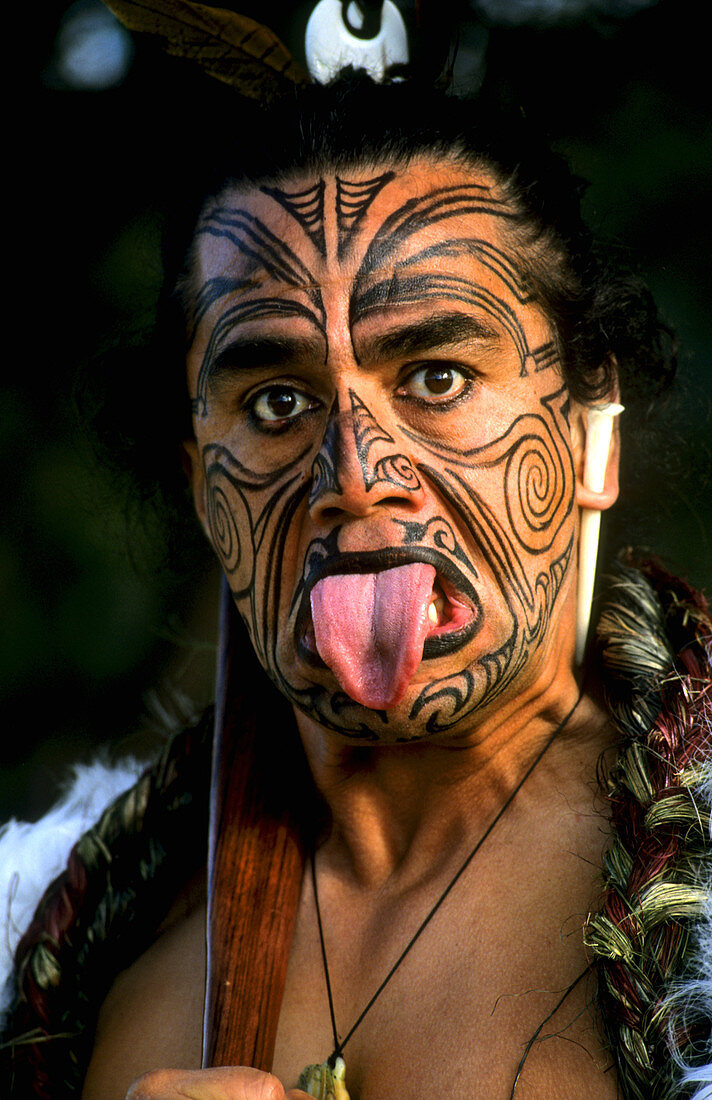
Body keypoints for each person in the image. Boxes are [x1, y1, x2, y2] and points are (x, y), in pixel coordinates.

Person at [2, 11, 711, 1099]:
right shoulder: (72, 959)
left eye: (434, 375)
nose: (357, 467)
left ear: (588, 429)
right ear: (202, 484)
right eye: (277, 400)